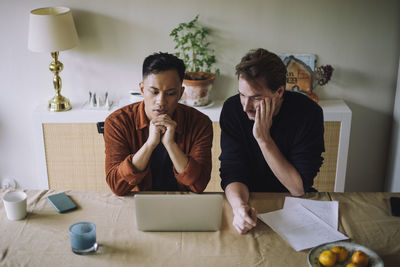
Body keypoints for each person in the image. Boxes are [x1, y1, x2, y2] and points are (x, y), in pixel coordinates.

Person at [219, 48, 325, 234]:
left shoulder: (308, 113)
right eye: (242, 95)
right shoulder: (232, 109)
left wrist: (264, 139)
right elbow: (232, 171)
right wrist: (239, 207)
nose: (245, 107)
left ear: (279, 92)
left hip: (291, 203)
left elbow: (297, 188)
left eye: (256, 98)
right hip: (245, 197)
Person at [104, 52, 213, 196]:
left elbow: (199, 185)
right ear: (142, 90)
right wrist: (150, 145)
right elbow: (116, 186)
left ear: (180, 93)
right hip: (138, 203)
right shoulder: (117, 122)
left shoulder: (200, 123)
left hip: (183, 203)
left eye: (170, 93)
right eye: (154, 92)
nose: (161, 102)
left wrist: (170, 144)